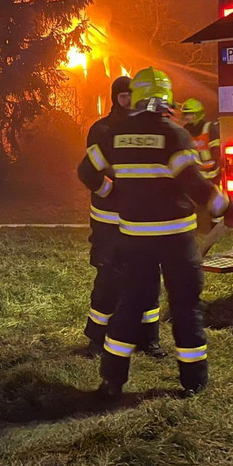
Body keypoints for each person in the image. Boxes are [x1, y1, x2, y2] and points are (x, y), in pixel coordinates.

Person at [78, 67, 233, 398]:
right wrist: (222, 204)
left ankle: (112, 380)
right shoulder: (175, 135)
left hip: (133, 237)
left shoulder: (112, 134)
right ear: (165, 99)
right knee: (184, 305)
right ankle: (193, 380)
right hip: (175, 238)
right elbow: (192, 181)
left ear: (135, 97)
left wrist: (112, 193)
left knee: (130, 304)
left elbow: (86, 170)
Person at [77, 76, 163, 358]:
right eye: (123, 96)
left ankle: (148, 339)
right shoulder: (101, 129)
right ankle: (96, 338)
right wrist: (109, 191)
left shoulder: (144, 128)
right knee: (109, 280)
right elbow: (89, 170)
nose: (127, 100)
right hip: (109, 221)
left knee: (148, 278)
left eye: (131, 95)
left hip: (141, 221)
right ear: (115, 97)